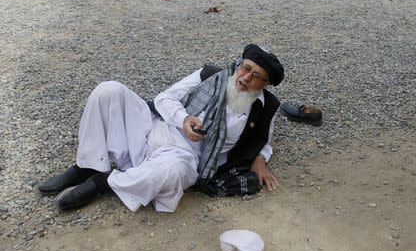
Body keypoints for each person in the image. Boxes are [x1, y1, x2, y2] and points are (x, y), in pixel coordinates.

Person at [37, 44, 284, 212]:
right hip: (155, 127)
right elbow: (165, 99)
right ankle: (88, 165)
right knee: (108, 90)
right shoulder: (210, 75)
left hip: (184, 156)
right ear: (239, 64)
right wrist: (183, 119)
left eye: (256, 76)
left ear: (265, 84)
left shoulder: (265, 106)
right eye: (245, 68)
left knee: (172, 172)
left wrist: (260, 160)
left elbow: (264, 140)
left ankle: (103, 183)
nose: (246, 78)